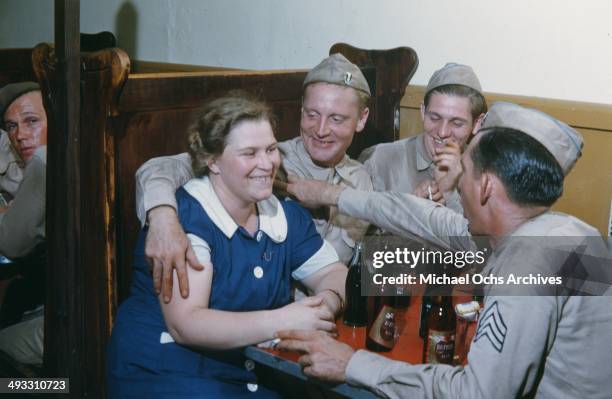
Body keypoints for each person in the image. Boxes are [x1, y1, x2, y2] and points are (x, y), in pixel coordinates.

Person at [277, 102, 612, 398]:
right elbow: (422, 217)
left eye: (462, 171)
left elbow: (477, 393)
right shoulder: (566, 231)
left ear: (485, 187)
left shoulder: (527, 262)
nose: (455, 184)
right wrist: (328, 193)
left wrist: (352, 363)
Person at [106, 91, 348, 398]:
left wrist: (325, 303)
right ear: (212, 161)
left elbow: (335, 272)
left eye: (271, 149)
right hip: (166, 368)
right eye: (249, 153)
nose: (266, 163)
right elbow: (186, 324)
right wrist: (283, 320)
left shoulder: (283, 214)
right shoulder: (188, 216)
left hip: (243, 368)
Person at [135, 53, 372, 302]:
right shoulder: (264, 159)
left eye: (336, 118)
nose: (321, 130)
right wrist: (162, 216)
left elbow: (365, 269)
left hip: (327, 310)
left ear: (361, 119)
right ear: (301, 110)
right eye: (312, 114)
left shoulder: (362, 180)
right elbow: (159, 168)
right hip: (259, 312)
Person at [359, 62, 487, 212]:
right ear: (423, 111)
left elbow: (480, 235)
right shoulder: (379, 161)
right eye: (435, 118)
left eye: (456, 123)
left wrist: (450, 193)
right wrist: (407, 211)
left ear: (477, 123)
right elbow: (356, 232)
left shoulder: (487, 175)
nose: (443, 132)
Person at [0, 81, 48, 365]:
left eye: (31, 121)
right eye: (11, 126)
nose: (20, 135)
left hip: (78, 321)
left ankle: (51, 388)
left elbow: (11, 244)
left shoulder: (44, 161)